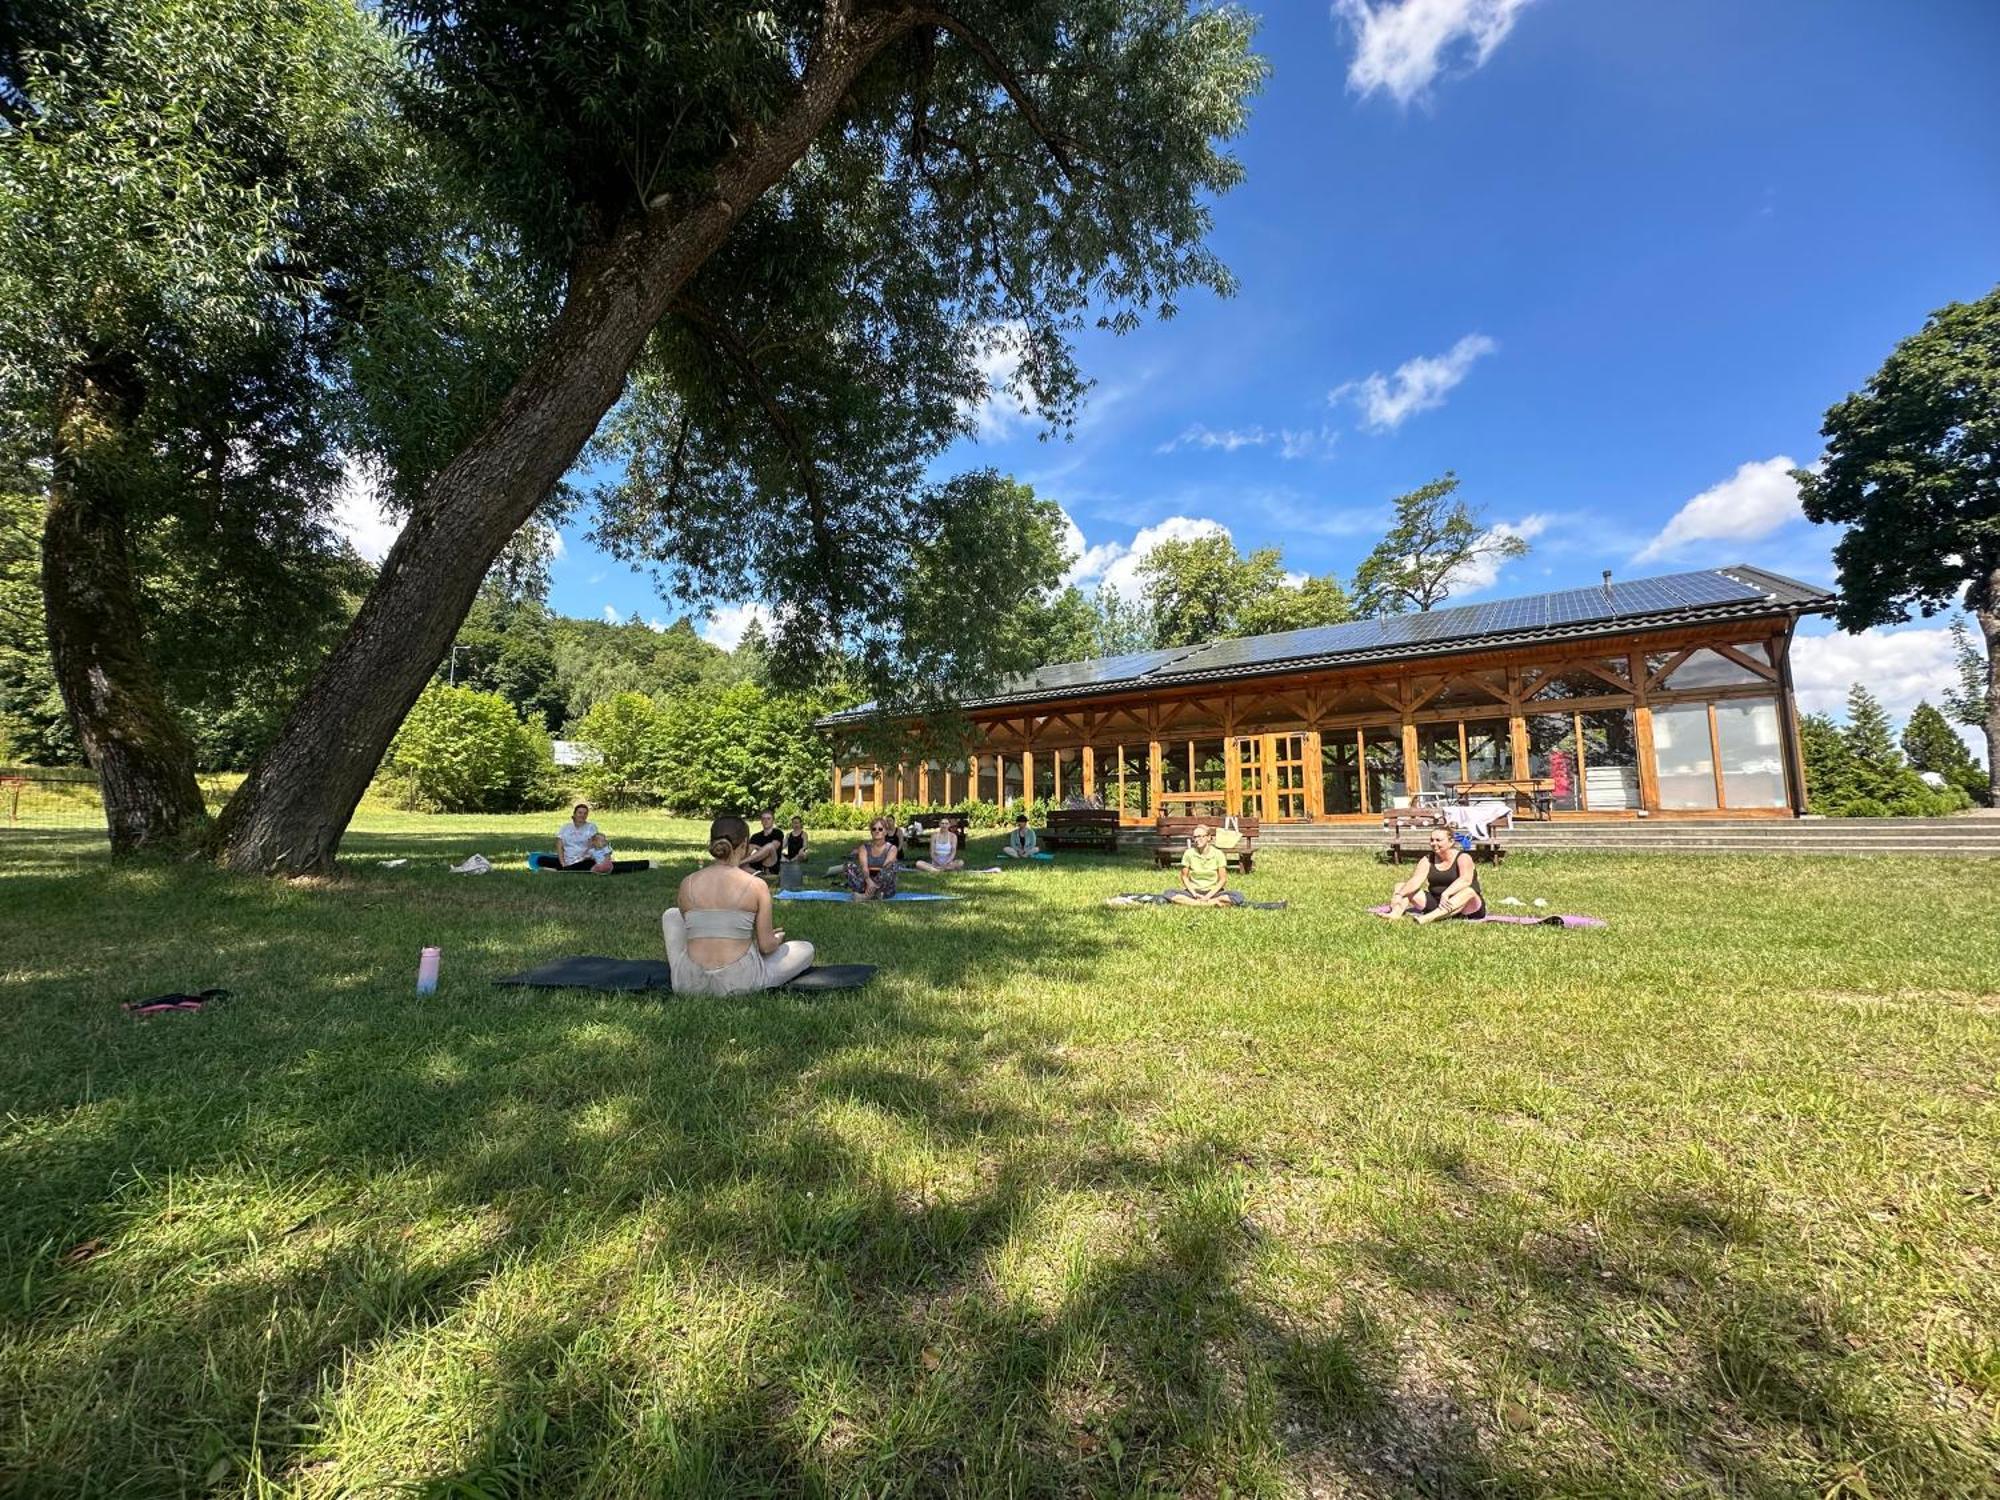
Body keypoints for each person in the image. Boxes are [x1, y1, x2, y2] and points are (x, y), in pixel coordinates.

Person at [662, 815, 815, 995]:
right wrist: (774, 940)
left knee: (671, 915)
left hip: (687, 982)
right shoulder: (757, 885)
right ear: (744, 845)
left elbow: (696, 930)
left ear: (711, 843)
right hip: (739, 982)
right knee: (806, 948)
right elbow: (766, 947)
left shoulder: (687, 882)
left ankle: (681, 973)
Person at [1380, 826, 1486, 923]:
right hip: (1438, 902)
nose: (1434, 843)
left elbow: (1465, 880)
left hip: (1466, 906)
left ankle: (1428, 918)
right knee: (1401, 886)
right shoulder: (1427, 860)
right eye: (1432, 840)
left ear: (1451, 842)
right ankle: (1395, 914)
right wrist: (1399, 895)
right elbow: (1416, 880)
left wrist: (1446, 893)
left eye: (1438, 840)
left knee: (1469, 891)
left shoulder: (1463, 858)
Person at [1171, 822, 1239, 905]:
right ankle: (1208, 903)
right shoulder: (1189, 853)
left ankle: (1195, 903)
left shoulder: (1218, 854)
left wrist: (1208, 896)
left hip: (1213, 892)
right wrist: (1194, 893)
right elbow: (1184, 877)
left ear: (1208, 837)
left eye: (1200, 836)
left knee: (1237, 896)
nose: (1197, 840)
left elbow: (1223, 879)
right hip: (1194, 892)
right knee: (1169, 893)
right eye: (1195, 837)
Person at [845, 818, 900, 899]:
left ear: (885, 832)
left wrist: (875, 884)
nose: (877, 831)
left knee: (892, 866)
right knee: (848, 866)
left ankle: (866, 896)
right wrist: (869, 881)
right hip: (866, 883)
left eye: (880, 829)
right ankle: (873, 895)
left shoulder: (892, 848)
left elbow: (885, 868)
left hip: (883, 886)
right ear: (871, 832)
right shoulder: (863, 848)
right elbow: (864, 868)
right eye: (874, 829)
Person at [555, 803, 601, 869]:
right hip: (568, 860)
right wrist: (563, 863)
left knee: (589, 863)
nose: (582, 815)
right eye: (580, 813)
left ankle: (565, 868)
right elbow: (559, 847)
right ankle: (565, 867)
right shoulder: (565, 827)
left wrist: (583, 858)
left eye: (585, 813)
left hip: (584, 860)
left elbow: (592, 846)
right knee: (542, 859)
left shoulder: (591, 827)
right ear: (574, 814)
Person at [744, 808, 784, 878]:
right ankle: (759, 873)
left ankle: (741, 862)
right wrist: (755, 848)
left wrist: (757, 848)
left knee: (769, 846)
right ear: (761, 821)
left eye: (768, 819)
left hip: (770, 862)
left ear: (773, 821)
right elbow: (748, 850)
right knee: (750, 846)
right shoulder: (755, 836)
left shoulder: (778, 833)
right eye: (763, 819)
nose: (766, 821)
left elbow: (773, 848)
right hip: (755, 865)